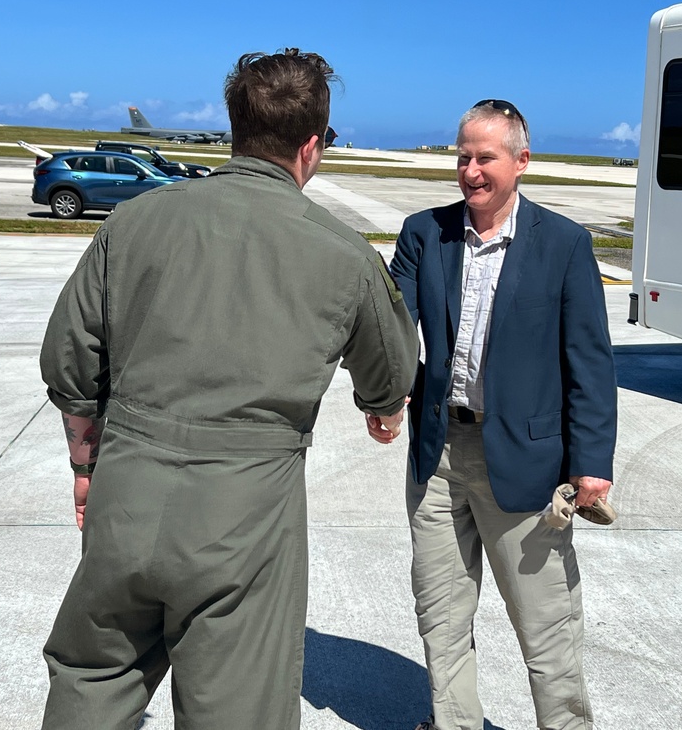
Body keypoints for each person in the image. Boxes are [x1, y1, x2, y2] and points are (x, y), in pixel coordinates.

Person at [39, 48, 418, 730]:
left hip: (126, 490)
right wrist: (382, 414)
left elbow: (70, 362)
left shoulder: (133, 221)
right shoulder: (344, 254)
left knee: (92, 677)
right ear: (311, 145)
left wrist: (83, 470)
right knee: (237, 709)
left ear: (236, 130)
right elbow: (392, 375)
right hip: (245, 517)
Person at [368, 99, 617, 730]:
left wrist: (592, 464)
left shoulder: (563, 244)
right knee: (442, 616)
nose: (471, 171)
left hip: (527, 466)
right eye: (463, 157)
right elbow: (393, 325)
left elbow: (589, 362)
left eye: (486, 158)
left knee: (547, 627)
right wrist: (385, 391)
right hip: (438, 455)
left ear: (521, 161)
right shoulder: (426, 232)